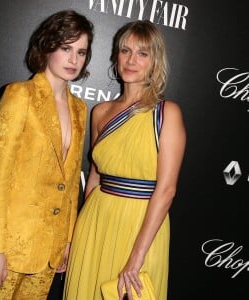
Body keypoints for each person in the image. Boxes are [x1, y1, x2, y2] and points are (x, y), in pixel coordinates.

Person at [0, 9, 93, 299]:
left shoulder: (80, 109)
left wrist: (66, 241)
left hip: (49, 251)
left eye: (81, 52)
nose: (73, 60)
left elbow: (68, 186)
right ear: (48, 46)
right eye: (66, 49)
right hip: (10, 246)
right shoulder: (19, 95)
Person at [63, 20, 186, 300]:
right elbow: (94, 177)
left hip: (142, 227)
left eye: (142, 53)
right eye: (125, 50)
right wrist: (75, 237)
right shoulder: (101, 112)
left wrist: (136, 257)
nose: (131, 60)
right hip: (95, 222)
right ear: (115, 56)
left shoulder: (167, 113)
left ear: (155, 61)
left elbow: (166, 191)